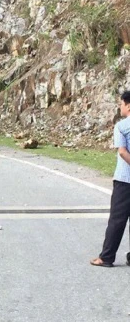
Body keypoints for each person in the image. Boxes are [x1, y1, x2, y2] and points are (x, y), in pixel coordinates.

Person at [91, 91, 130, 267]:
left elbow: (122, 151)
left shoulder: (122, 126)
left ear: (128, 105)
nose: (120, 107)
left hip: (125, 180)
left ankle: (106, 257)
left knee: (117, 219)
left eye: (121, 104)